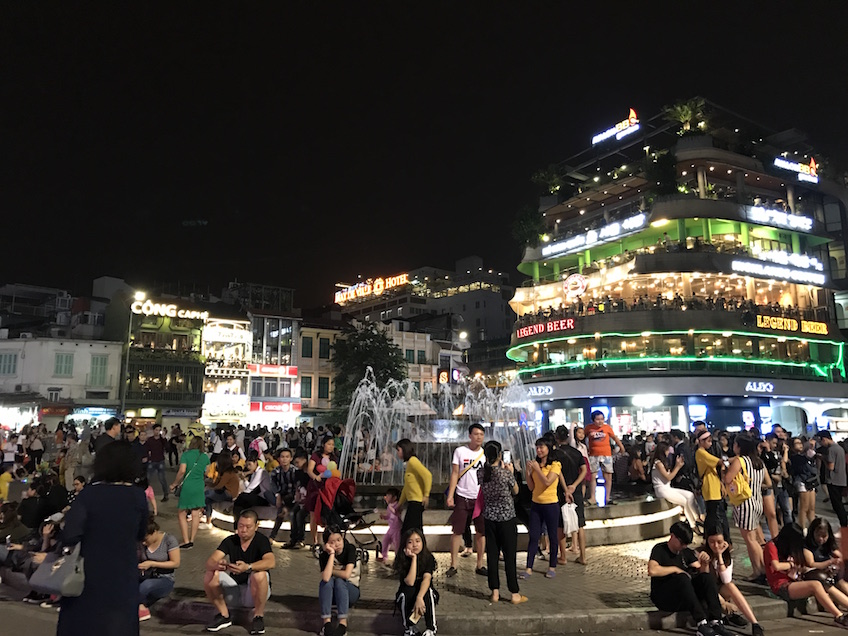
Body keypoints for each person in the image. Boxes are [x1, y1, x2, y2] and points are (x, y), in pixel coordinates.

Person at [57, 440, 149, 636]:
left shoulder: (88, 495)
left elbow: (71, 534)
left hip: (89, 572)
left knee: (84, 623)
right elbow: (141, 534)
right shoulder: (138, 496)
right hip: (123, 573)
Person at [647, 521, 733, 636]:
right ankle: (701, 623)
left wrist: (705, 564)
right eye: (682, 543)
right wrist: (675, 569)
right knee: (682, 577)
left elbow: (702, 576)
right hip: (665, 597)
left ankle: (716, 621)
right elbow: (652, 570)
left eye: (686, 544)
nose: (683, 547)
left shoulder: (685, 552)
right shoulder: (660, 549)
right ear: (672, 536)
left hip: (684, 597)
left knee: (706, 577)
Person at [204, 509, 276, 635]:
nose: (243, 530)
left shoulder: (261, 540)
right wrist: (219, 565)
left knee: (259, 574)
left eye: (248, 527)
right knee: (210, 573)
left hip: (255, 591)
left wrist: (248, 567)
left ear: (256, 526)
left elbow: (271, 562)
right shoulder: (230, 540)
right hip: (235, 589)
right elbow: (210, 562)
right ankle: (224, 615)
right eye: (241, 526)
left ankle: (258, 617)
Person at [764, 523, 848, 628]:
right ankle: (838, 616)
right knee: (815, 585)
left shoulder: (790, 548)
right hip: (781, 585)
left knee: (825, 583)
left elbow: (802, 565)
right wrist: (791, 564)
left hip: (795, 579)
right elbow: (776, 566)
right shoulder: (771, 546)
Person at [478, 440, 525, 604]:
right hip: (507, 519)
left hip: (489, 518)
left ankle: (495, 592)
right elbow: (516, 491)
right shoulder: (505, 474)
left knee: (492, 555)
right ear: (499, 455)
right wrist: (511, 472)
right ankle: (514, 593)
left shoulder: (481, 473)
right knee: (509, 556)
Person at [696, 530, 764, 636]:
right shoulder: (702, 553)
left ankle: (755, 623)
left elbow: (726, 580)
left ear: (725, 542)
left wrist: (719, 556)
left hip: (719, 590)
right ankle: (728, 616)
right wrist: (723, 602)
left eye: (719, 542)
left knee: (731, 586)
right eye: (712, 542)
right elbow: (705, 582)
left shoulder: (726, 556)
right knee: (714, 590)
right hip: (706, 593)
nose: (715, 545)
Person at [724, 434, 770, 583]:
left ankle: (760, 570)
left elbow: (727, 479)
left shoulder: (740, 461)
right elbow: (768, 483)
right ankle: (762, 569)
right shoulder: (759, 462)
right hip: (757, 502)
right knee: (754, 537)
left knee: (750, 540)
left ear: (739, 446)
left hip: (745, 503)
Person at [446, 423, 487, 577]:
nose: (479, 437)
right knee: (457, 531)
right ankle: (453, 564)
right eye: (476, 434)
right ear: (470, 435)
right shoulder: (460, 451)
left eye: (481, 434)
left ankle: (480, 564)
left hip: (480, 498)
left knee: (481, 532)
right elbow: (455, 473)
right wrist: (450, 495)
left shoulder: (485, 454)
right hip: (462, 496)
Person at [521, 437, 561, 579]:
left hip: (551, 504)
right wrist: (527, 472)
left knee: (552, 535)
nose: (539, 450)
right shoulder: (536, 465)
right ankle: (528, 568)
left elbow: (547, 482)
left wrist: (537, 470)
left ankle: (552, 566)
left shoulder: (555, 465)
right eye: (537, 447)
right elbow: (532, 487)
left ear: (548, 448)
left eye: (541, 447)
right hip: (536, 504)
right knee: (533, 536)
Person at [318, 525, 361, 636]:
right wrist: (331, 554)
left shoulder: (350, 549)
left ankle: (343, 624)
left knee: (339, 581)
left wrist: (331, 570)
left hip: (351, 591)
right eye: (332, 542)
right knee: (326, 583)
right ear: (326, 544)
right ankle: (326, 624)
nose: (337, 544)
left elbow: (347, 574)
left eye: (338, 540)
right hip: (332, 595)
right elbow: (326, 578)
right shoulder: (324, 555)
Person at [394, 528, 438, 636]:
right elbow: (410, 582)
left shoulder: (428, 558)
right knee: (406, 594)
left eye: (418, 541)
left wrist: (419, 598)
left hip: (423, 594)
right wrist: (414, 559)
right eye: (410, 542)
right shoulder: (401, 559)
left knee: (428, 593)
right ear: (405, 545)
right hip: (407, 594)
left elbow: (427, 579)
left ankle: (431, 629)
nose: (415, 545)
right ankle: (409, 628)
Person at [651, 442, 702, 530]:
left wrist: (677, 465)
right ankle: (693, 525)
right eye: (667, 451)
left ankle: (697, 518)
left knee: (690, 495)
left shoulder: (663, 462)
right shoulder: (658, 463)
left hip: (668, 488)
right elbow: (668, 478)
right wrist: (677, 466)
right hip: (662, 490)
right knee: (684, 501)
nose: (669, 453)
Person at [138, 516, 181, 621]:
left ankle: (142, 609)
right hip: (146, 575)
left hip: (164, 578)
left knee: (145, 586)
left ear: (154, 532)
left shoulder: (169, 540)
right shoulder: (142, 543)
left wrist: (152, 564)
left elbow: (176, 563)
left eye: (145, 539)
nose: (144, 543)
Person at [555, 426, 588, 565]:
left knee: (560, 524)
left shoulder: (555, 454)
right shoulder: (576, 453)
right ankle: (583, 556)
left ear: (557, 437)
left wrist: (566, 489)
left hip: (560, 491)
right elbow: (584, 470)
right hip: (577, 492)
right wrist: (574, 485)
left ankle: (563, 557)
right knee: (580, 523)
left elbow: (557, 473)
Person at [170, 436, 210, 549]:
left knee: (182, 512)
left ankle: (186, 540)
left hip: (188, 486)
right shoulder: (204, 457)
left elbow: (182, 471)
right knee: (195, 513)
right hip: (199, 486)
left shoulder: (186, 455)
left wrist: (174, 483)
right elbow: (207, 472)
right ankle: (192, 539)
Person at [584, 410, 623, 506]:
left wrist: (621, 447)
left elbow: (615, 438)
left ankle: (607, 498)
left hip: (606, 454)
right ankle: (592, 498)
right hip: (593, 455)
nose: (600, 421)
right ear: (593, 420)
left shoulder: (607, 428)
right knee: (593, 476)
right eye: (597, 419)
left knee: (608, 476)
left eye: (602, 419)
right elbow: (582, 437)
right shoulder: (589, 428)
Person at [306, 434, 339, 547]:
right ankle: (314, 541)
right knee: (313, 515)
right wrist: (316, 477)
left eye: (332, 445)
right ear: (323, 444)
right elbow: (310, 470)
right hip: (315, 487)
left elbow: (334, 471)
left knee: (326, 513)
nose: (330, 447)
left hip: (327, 488)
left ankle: (326, 540)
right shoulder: (316, 456)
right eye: (328, 444)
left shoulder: (334, 458)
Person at [804, 517, 848, 598]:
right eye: (818, 535)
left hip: (832, 575)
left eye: (824, 536)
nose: (821, 539)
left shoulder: (828, 545)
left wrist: (838, 562)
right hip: (818, 576)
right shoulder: (807, 547)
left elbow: (840, 557)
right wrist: (830, 562)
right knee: (831, 582)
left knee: (841, 581)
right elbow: (812, 564)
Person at [396, 438, 432, 536]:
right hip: (412, 501)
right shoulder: (409, 464)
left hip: (416, 502)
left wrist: (426, 495)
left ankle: (411, 550)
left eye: (398, 450)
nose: (397, 453)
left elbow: (427, 475)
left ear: (404, 449)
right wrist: (400, 504)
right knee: (414, 530)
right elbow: (406, 487)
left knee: (409, 530)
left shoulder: (413, 461)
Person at [695, 430, 727, 540]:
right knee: (711, 515)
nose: (710, 443)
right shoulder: (700, 452)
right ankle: (708, 537)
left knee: (712, 514)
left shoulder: (704, 453)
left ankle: (708, 537)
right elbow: (719, 461)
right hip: (709, 486)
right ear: (701, 441)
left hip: (713, 485)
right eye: (708, 441)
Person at [232, 452, 274, 528]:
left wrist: (241, 496)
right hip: (257, 496)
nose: (248, 467)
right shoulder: (254, 473)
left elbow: (251, 488)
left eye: (250, 464)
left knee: (241, 498)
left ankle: (237, 526)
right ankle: (237, 526)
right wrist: (244, 479)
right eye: (247, 465)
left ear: (255, 463)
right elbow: (250, 487)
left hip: (265, 498)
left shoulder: (261, 472)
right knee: (239, 505)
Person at [816, 431, 848, 528]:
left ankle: (844, 524)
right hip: (841, 479)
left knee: (837, 504)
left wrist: (823, 458)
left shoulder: (831, 449)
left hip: (833, 480)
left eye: (820, 441)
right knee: (839, 502)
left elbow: (830, 466)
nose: (821, 444)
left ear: (824, 439)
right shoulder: (839, 448)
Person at [788, 437, 817, 530]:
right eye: (797, 443)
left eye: (800, 443)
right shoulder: (794, 457)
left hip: (810, 481)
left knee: (811, 507)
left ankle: (812, 527)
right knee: (804, 507)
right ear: (792, 446)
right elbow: (800, 467)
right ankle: (802, 528)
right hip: (801, 481)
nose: (800, 445)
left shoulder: (805, 455)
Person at [205, 452, 242, 524]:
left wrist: (210, 487)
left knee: (206, 495)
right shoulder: (226, 472)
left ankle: (205, 517)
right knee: (207, 499)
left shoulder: (228, 473)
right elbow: (216, 484)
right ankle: (208, 520)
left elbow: (219, 486)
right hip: (225, 492)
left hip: (229, 494)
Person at [144, 424, 171, 503]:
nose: (158, 432)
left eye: (159, 430)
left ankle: (166, 495)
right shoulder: (150, 440)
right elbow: (147, 450)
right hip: (152, 460)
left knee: (162, 479)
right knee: (147, 478)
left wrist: (164, 439)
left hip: (160, 460)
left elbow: (167, 448)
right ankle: (145, 493)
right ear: (153, 430)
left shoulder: (162, 440)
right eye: (156, 430)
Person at [378, 487, 402, 564]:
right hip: (391, 528)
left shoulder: (397, 505)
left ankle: (398, 558)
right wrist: (384, 517)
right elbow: (389, 516)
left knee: (397, 544)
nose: (386, 497)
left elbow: (397, 513)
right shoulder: (389, 506)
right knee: (385, 541)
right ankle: (384, 556)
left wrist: (390, 507)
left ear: (394, 497)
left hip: (397, 529)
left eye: (388, 495)